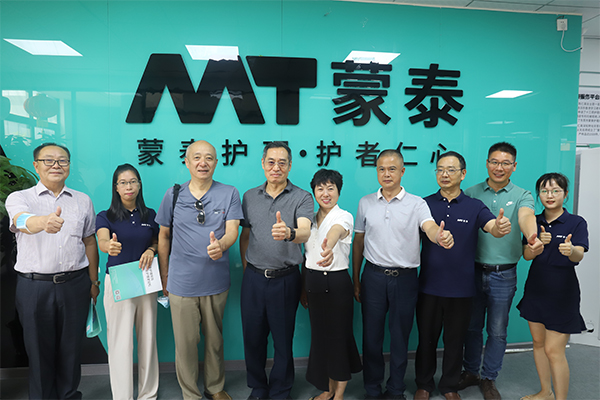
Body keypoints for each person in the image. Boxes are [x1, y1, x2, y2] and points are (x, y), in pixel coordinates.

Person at [352, 149, 454, 400]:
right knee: (371, 338)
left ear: (402, 171)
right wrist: (356, 278)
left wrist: (439, 236)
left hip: (405, 279)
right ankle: (372, 389)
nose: (386, 174)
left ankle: (396, 389)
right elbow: (358, 242)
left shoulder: (417, 204)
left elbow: (429, 226)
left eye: (392, 169)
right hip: (373, 277)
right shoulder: (365, 202)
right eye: (381, 169)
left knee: (400, 337)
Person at [6, 142, 99, 399]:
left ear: (69, 166)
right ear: (36, 166)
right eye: (48, 160)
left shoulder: (82, 200)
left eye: (62, 160)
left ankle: (69, 395)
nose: (56, 165)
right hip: (34, 287)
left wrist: (94, 282)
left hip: (75, 284)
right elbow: (21, 221)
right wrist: (43, 222)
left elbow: (89, 241)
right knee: (38, 351)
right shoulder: (20, 198)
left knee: (72, 349)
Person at [414, 152, 511, 400]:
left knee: (455, 341)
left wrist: (499, 228)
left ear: (463, 174)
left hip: (461, 288)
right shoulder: (423, 204)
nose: (444, 174)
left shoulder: (474, 206)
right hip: (428, 285)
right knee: (426, 339)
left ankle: (449, 386)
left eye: (451, 169)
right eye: (440, 169)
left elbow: (492, 227)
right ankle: (424, 384)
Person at [155, 140, 243, 400]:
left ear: (216, 162)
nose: (202, 163)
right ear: (187, 161)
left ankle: (215, 387)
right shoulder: (173, 194)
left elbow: (232, 231)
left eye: (209, 158)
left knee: (214, 340)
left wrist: (221, 245)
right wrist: (165, 276)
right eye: (197, 157)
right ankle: (190, 393)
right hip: (181, 283)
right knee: (185, 344)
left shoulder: (229, 193)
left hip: (216, 281)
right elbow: (163, 236)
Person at [460, 142, 543, 400]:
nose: (499, 167)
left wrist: (531, 236)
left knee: (497, 331)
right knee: (471, 328)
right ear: (487, 163)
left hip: (503, 274)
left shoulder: (522, 194)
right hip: (472, 271)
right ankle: (471, 372)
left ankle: (489, 378)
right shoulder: (471, 193)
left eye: (506, 163)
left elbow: (526, 216)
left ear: (514, 166)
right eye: (495, 162)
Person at [239, 141, 314, 400]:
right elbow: (245, 236)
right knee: (253, 338)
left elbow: (305, 232)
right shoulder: (249, 196)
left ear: (290, 166)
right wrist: (248, 269)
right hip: (254, 278)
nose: (276, 167)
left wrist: (289, 232)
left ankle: (281, 390)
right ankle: (258, 388)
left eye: (282, 163)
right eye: (271, 162)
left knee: (283, 340)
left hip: (285, 279)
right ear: (263, 164)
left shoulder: (302, 197)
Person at [517, 173, 588, 400]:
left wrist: (571, 250)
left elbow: (579, 255)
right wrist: (536, 246)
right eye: (544, 191)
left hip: (562, 293)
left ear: (565, 194)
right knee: (538, 344)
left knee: (553, 350)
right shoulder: (533, 221)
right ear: (538, 194)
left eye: (555, 190)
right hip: (536, 289)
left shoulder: (576, 222)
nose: (550, 195)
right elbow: (526, 255)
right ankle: (545, 392)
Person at [96, 163, 159, 400]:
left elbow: (157, 240)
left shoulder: (150, 215)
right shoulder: (106, 216)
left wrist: (151, 250)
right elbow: (102, 240)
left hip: (145, 280)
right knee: (120, 342)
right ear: (116, 187)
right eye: (123, 182)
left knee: (148, 338)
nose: (128, 186)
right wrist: (108, 246)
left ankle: (148, 394)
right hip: (118, 281)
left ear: (139, 185)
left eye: (133, 181)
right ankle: (122, 396)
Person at [301, 169, 362, 400]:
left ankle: (339, 394)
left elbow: (338, 231)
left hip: (337, 283)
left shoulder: (344, 216)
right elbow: (306, 255)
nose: (325, 194)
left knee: (338, 339)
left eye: (330, 188)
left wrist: (329, 245)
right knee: (320, 340)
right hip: (313, 282)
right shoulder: (308, 220)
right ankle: (327, 390)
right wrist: (303, 287)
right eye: (320, 188)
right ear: (314, 191)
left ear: (338, 191)